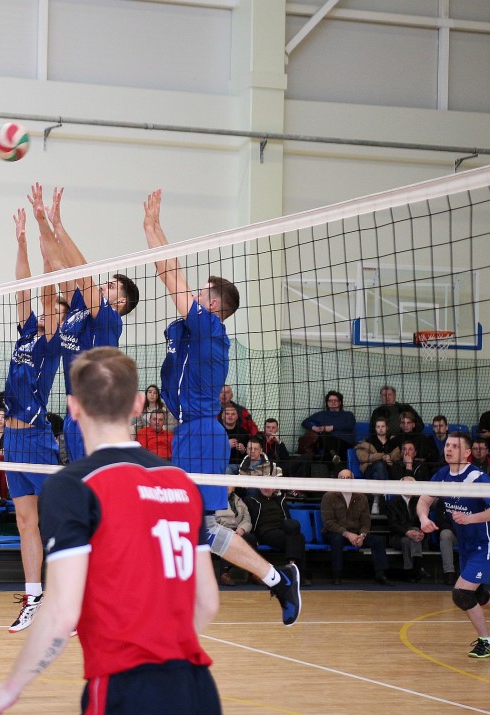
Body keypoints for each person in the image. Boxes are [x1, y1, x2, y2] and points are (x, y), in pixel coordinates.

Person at [0, 348, 221, 715]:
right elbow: (207, 602)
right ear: (138, 404)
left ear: (73, 407)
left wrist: (10, 688)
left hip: (125, 687)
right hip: (197, 686)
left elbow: (62, 612)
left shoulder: (74, 486)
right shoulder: (181, 483)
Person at [143, 188, 300, 625]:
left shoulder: (210, 327)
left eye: (201, 292)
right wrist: (155, 230)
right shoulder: (197, 330)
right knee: (197, 528)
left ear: (212, 305)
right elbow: (174, 274)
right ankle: (274, 580)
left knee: (192, 525)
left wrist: (151, 230)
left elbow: (171, 276)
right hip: (189, 432)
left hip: (200, 432)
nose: (193, 294)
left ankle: (270, 581)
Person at [29, 183, 139, 463]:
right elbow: (58, 265)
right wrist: (42, 221)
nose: (104, 286)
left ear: (121, 301)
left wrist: (58, 225)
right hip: (73, 414)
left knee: (92, 483)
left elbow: (83, 275)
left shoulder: (109, 319)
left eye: (111, 286)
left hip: (94, 416)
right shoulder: (80, 306)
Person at [1, 207, 64, 633]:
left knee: (56, 521)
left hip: (38, 439)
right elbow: (23, 288)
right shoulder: (26, 332)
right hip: (12, 440)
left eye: (52, 308)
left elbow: (42, 292)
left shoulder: (51, 341)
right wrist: (21, 241)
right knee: (26, 522)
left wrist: (46, 244)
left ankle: (70, 596)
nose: (44, 311)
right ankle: (33, 596)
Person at [417, 433, 490, 658]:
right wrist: (423, 518)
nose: (448, 449)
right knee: (481, 597)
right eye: (447, 445)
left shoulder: (478, 478)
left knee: (461, 594)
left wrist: (470, 518)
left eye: (455, 446)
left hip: (485, 545)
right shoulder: (442, 475)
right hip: (466, 547)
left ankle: (486, 642)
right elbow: (424, 500)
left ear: (467, 453)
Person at [320, 469, 392, 585]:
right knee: (337, 539)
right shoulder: (329, 496)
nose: (345, 480)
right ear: (337, 480)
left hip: (356, 534)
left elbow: (366, 522)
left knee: (378, 540)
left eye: (348, 478)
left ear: (353, 480)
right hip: (335, 532)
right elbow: (328, 522)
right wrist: (347, 534)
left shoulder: (361, 497)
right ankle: (337, 575)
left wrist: (362, 536)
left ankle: (381, 575)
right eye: (342, 478)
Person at [245, 487, 309, 585]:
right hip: (265, 531)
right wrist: (254, 535)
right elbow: (249, 519)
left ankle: (292, 567)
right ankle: (297, 570)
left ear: (274, 488)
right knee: (299, 538)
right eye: (264, 486)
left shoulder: (280, 500)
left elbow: (288, 518)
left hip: (282, 529)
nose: (267, 488)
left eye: (269, 486)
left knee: (297, 534)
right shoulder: (251, 500)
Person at [385, 476, 428, 582]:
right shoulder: (392, 503)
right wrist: (407, 532)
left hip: (417, 536)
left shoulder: (420, 502)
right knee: (407, 539)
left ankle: (408, 570)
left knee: (409, 540)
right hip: (397, 536)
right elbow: (393, 525)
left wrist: (422, 532)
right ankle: (418, 567)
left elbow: (424, 521)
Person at [301, 390, 356, 465]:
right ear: (327, 403)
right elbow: (305, 422)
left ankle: (333, 459)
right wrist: (315, 428)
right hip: (326, 440)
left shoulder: (348, 415)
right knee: (325, 436)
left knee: (326, 445)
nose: (333, 402)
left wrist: (332, 427)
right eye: (330, 401)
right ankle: (334, 457)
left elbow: (350, 425)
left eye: (335, 400)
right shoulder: (321, 415)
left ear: (340, 402)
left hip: (344, 442)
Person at [214, 486, 255, 586]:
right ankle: (224, 573)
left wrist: (242, 529)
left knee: (251, 538)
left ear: (234, 487)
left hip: (237, 530)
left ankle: (253, 573)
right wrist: (227, 531)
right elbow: (210, 521)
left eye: (230, 484)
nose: (227, 486)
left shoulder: (239, 500)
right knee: (228, 538)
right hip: (220, 530)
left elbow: (246, 519)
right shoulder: (213, 499)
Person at [355, 417, 400, 481]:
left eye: (383, 426)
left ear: (387, 428)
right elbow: (363, 457)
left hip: (389, 468)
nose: (380, 428)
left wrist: (389, 457)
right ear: (375, 429)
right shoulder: (368, 442)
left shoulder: (393, 442)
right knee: (380, 465)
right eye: (378, 427)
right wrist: (381, 456)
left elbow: (398, 455)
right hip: (371, 468)